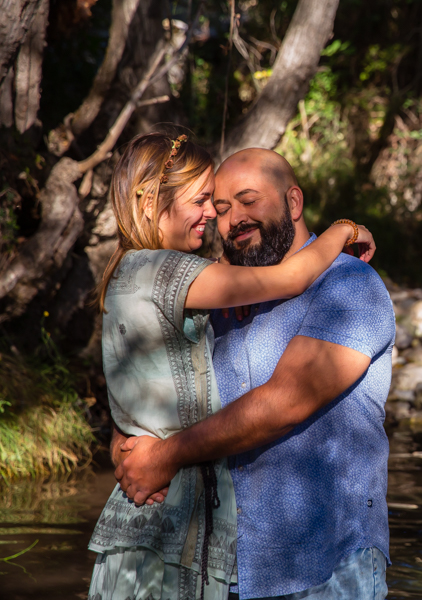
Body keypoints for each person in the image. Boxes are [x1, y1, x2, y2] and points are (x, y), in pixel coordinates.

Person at [88, 133, 374, 600]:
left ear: (293, 200)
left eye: (244, 202)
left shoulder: (131, 270)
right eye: (210, 203)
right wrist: (343, 228)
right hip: (171, 536)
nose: (218, 218)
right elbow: (290, 277)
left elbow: (282, 402)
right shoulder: (180, 275)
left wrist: (138, 444)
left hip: (296, 563)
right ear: (150, 203)